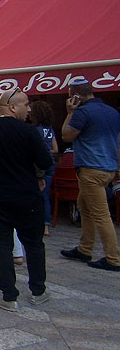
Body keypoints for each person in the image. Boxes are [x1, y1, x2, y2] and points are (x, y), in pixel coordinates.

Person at [0, 88, 53, 310]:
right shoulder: (28, 132)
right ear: (12, 106)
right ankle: (38, 290)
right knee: (34, 245)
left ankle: (9, 296)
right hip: (26, 197)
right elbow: (46, 161)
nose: (29, 109)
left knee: (3, 246)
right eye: (26, 104)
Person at [60, 79, 120, 272]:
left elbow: (66, 136)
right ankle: (85, 248)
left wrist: (70, 113)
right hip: (108, 167)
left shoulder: (83, 113)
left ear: (76, 96)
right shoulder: (112, 112)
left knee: (101, 214)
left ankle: (113, 258)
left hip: (90, 168)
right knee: (84, 206)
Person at [29, 101, 58, 236]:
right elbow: (56, 149)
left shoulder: (34, 130)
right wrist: (47, 151)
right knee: (45, 195)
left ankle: (36, 223)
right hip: (50, 164)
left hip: (37, 164)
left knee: (35, 194)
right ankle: (46, 225)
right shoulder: (50, 129)